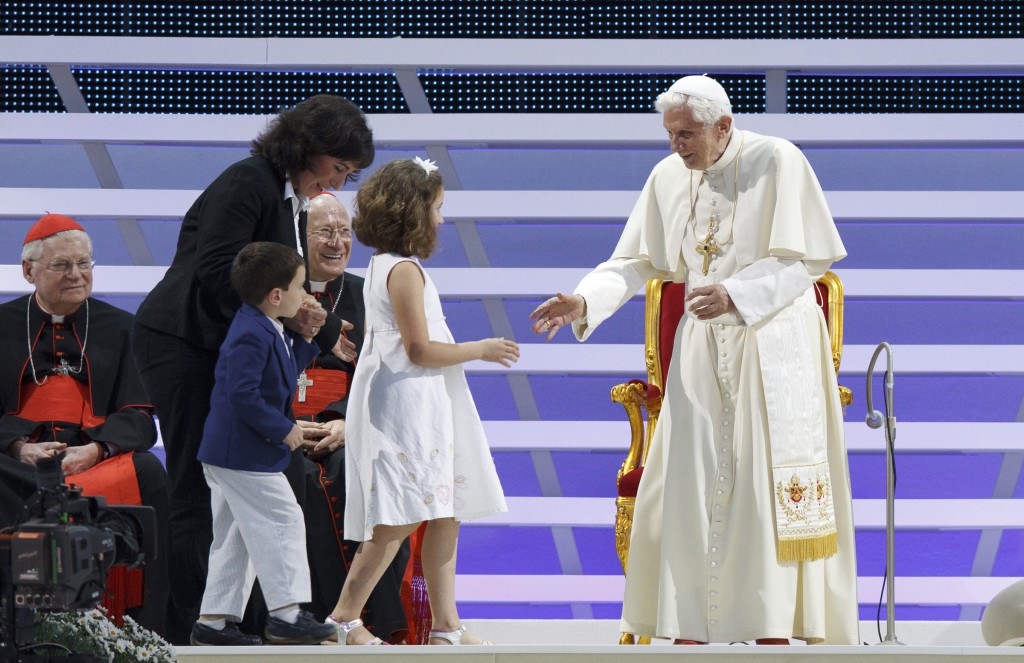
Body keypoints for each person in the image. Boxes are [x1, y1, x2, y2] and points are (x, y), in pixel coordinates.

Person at [529, 76, 859, 645]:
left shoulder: (778, 159)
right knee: (693, 479)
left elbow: (807, 259)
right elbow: (635, 260)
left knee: (761, 484)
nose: (676, 146)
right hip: (703, 348)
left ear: (724, 126)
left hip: (771, 341)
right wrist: (585, 299)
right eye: (670, 134)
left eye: (686, 134)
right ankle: (691, 627)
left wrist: (737, 293)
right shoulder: (666, 177)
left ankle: (774, 626)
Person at [131, 94, 373, 644]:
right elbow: (224, 270)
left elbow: (272, 289)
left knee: (232, 503)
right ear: (310, 149)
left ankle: (218, 623)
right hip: (183, 340)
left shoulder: (282, 194)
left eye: (349, 176)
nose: (336, 183)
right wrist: (305, 316)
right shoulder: (249, 182)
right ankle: (184, 632)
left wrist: (319, 327)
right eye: (338, 169)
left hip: (214, 343)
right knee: (197, 489)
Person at [324, 158, 518, 646]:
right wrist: (482, 349)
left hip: (424, 399)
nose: (441, 219)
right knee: (399, 515)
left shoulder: (383, 266)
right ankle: (343, 618)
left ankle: (446, 625)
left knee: (444, 508)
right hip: (407, 403)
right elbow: (418, 349)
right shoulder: (403, 270)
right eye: (436, 208)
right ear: (413, 212)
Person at [0, 214, 169, 634]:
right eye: (62, 265)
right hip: (17, 460)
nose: (77, 275)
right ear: (28, 271)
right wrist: (17, 447)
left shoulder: (123, 327)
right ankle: (17, 626)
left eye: (85, 264)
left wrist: (94, 450)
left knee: (147, 471)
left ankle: (142, 626)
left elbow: (139, 417)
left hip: (90, 456)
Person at [191, 242, 336, 646]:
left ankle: (214, 622)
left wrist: (310, 340)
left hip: (230, 453)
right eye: (300, 287)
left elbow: (281, 374)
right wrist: (282, 428)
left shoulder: (262, 325)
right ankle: (288, 614)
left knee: (236, 534)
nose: (305, 296)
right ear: (276, 296)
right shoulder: (250, 334)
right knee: (283, 518)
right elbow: (242, 393)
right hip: (242, 454)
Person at [292, 192, 413, 642]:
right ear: (299, 238)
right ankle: (311, 622)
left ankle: (373, 621)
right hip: (285, 431)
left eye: (344, 232)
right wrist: (285, 423)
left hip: (350, 428)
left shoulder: (370, 294)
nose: (337, 242)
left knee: (362, 476)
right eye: (324, 231)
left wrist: (348, 422)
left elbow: (387, 372)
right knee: (298, 480)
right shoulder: (279, 290)